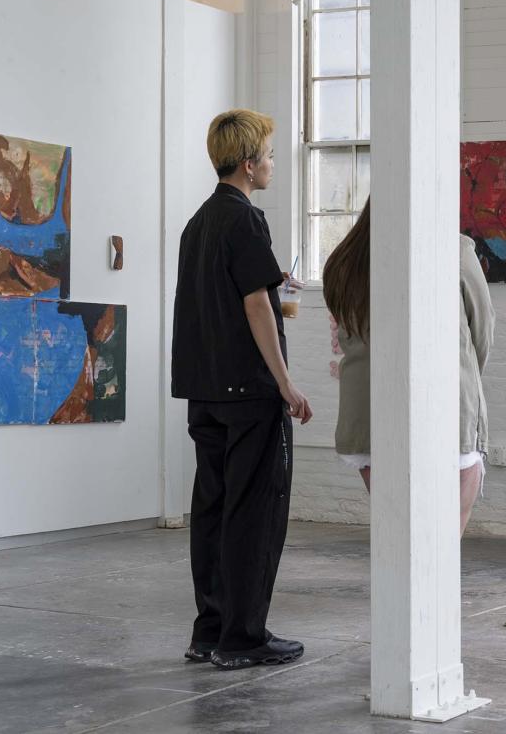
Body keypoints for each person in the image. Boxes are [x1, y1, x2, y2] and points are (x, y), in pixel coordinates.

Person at [171, 109, 314, 670]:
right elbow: (255, 307)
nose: (274, 165)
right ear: (250, 163)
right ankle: (243, 637)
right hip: (249, 393)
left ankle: (209, 631)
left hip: (204, 390)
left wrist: (275, 278)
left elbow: (227, 289)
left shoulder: (199, 221)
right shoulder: (246, 218)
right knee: (255, 513)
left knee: (212, 508)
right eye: (272, 156)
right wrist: (286, 384)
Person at [322, 200, 496, 534]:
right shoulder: (453, 249)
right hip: (445, 404)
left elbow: (346, 332)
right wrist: (468, 376)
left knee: (400, 528)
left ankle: (397, 588)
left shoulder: (344, 260)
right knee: (445, 531)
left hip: (368, 410)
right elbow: (483, 329)